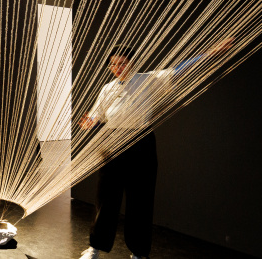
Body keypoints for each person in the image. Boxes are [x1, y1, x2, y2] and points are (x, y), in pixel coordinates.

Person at [78, 39, 232, 259]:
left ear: (132, 63)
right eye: (113, 65)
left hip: (140, 141)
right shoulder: (107, 89)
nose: (117, 69)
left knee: (140, 199)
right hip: (111, 143)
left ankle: (139, 253)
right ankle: (95, 248)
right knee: (106, 198)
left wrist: (211, 53)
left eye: (122, 63)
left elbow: (178, 70)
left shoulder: (148, 80)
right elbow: (98, 115)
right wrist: (89, 121)